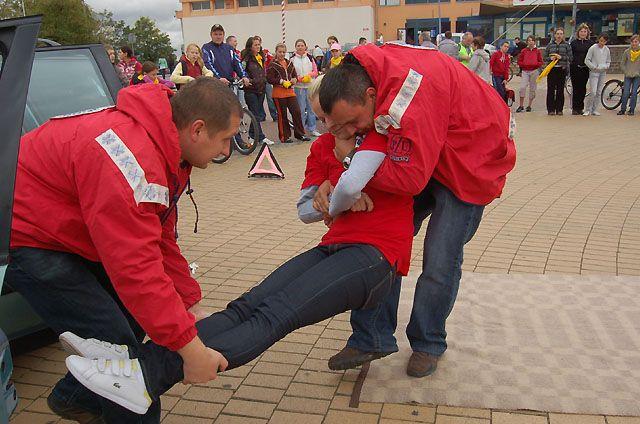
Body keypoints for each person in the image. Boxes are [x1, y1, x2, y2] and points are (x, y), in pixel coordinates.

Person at [61, 83, 415, 415]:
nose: (329, 127)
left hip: (376, 255)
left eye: (336, 119)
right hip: (334, 244)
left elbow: (354, 184)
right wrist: (335, 196)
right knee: (244, 306)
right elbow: (308, 209)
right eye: (322, 118)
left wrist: (337, 190)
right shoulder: (321, 148)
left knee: (274, 315)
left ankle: (146, 376)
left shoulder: (378, 139)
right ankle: (137, 366)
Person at [4, 78, 241, 423]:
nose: (226, 151)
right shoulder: (133, 162)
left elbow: (159, 236)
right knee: (121, 356)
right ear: (198, 130)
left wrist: (190, 304)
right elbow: (137, 270)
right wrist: (190, 349)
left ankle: (72, 398)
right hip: (25, 233)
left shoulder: (164, 147)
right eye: (225, 140)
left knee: (132, 323)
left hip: (65, 230)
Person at [314, 44, 515, 377]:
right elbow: (348, 147)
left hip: (471, 161)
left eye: (352, 123)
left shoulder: (411, 96)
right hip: (431, 149)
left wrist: (350, 164)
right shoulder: (361, 76)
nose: (350, 132)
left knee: (441, 256)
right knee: (380, 239)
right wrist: (333, 174)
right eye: (339, 126)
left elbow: (408, 179)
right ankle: (371, 337)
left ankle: (428, 342)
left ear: (369, 94)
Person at [266, 43, 310, 143]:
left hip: (290, 92)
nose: (281, 54)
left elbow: (294, 74)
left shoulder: (289, 63)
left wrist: (294, 79)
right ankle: (284, 137)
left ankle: (300, 134)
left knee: (297, 112)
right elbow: (269, 78)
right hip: (278, 93)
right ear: (276, 52)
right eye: (279, 52)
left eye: (283, 52)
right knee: (282, 116)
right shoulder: (272, 65)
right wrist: (281, 81)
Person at [241, 37, 275, 145]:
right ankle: (260, 137)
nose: (258, 47)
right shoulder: (246, 59)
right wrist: (248, 80)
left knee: (257, 114)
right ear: (250, 47)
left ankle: (252, 136)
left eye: (259, 44)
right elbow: (241, 71)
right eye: (255, 45)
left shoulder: (261, 57)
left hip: (261, 89)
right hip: (251, 90)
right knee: (255, 114)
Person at [292, 39, 322, 137]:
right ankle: (302, 129)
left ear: (305, 46)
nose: (300, 47)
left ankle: (312, 128)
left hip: (310, 86)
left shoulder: (310, 57)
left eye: (302, 45)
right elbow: (291, 73)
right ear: (295, 47)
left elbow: (315, 71)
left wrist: (309, 75)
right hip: (298, 87)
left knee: (311, 108)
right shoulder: (292, 59)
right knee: (300, 109)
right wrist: (299, 78)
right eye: (298, 45)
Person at [543, 28, 572, 115]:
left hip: (562, 69)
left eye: (561, 34)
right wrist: (550, 58)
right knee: (551, 90)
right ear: (554, 35)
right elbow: (544, 57)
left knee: (560, 90)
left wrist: (561, 57)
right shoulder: (549, 45)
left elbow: (571, 58)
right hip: (552, 70)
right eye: (558, 34)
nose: (559, 36)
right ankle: (550, 109)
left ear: (563, 35)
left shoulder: (567, 45)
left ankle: (559, 109)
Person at [570, 23, 594, 115]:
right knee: (575, 88)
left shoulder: (591, 43)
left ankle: (580, 107)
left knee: (583, 88)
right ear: (578, 32)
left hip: (585, 69)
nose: (583, 33)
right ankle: (575, 108)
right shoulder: (574, 43)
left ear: (587, 33)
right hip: (575, 68)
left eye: (585, 31)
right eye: (581, 31)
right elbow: (571, 55)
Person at [584, 33, 611, 116]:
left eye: (604, 41)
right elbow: (587, 60)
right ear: (598, 39)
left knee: (599, 92)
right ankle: (587, 109)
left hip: (602, 72)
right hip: (594, 72)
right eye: (601, 41)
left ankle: (594, 109)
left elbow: (608, 61)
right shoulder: (593, 48)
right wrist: (593, 67)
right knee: (593, 91)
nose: (602, 43)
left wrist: (606, 66)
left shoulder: (607, 50)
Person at [254, 34, 279, 122]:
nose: (258, 45)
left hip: (266, 79)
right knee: (260, 98)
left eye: (259, 42)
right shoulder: (252, 54)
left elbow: (272, 59)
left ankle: (274, 115)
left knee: (270, 97)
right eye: (256, 43)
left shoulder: (265, 52)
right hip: (258, 80)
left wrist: (269, 69)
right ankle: (261, 115)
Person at [516, 35, 543, 112]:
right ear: (527, 42)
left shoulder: (537, 51)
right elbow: (519, 60)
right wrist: (523, 65)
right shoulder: (524, 51)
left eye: (532, 40)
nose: (530, 42)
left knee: (532, 88)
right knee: (522, 87)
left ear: (534, 41)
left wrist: (536, 64)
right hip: (525, 71)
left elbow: (541, 61)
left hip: (534, 71)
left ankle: (529, 105)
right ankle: (521, 105)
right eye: (529, 40)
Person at [617, 34, 640, 116]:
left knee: (634, 92)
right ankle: (623, 109)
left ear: (638, 42)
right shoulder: (627, 52)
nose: (634, 43)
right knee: (626, 92)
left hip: (637, 76)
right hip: (628, 75)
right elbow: (622, 64)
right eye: (633, 42)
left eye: (636, 41)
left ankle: (632, 110)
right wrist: (625, 71)